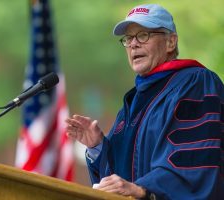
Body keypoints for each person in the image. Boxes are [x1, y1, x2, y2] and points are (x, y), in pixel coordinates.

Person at [65, 4, 224, 200]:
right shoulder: (131, 104)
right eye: (129, 38)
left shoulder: (195, 83)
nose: (133, 44)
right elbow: (118, 183)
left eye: (143, 35)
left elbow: (195, 160)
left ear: (170, 42)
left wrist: (144, 189)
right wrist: (97, 147)